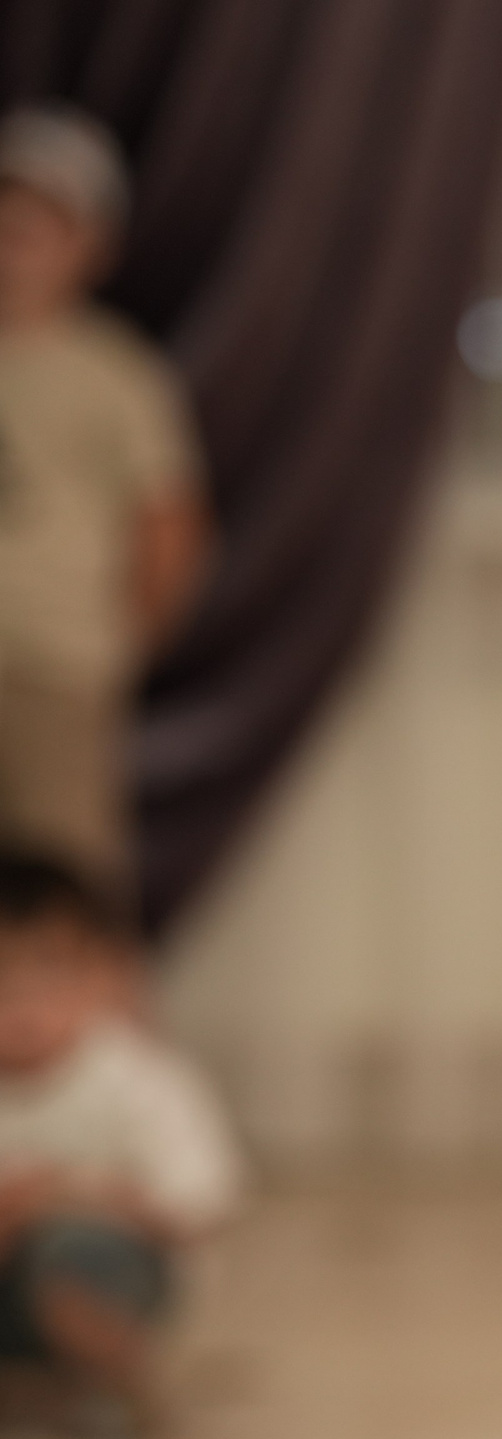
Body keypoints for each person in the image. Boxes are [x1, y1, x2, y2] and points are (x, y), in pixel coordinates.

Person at [0, 104, 208, 899]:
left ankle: (83, 1023)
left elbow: (171, 525)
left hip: (57, 666)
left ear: (91, 247)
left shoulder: (114, 375)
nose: (17, 241)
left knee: (66, 887)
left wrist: (115, 645)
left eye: (44, 224)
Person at [0, 849, 241, 1435]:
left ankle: (119, 1379)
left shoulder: (135, 1078)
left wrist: (85, 1195)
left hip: (109, 1268)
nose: (21, 1002)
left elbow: (203, 1194)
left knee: (75, 1253)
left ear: (105, 977)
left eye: (49, 971)